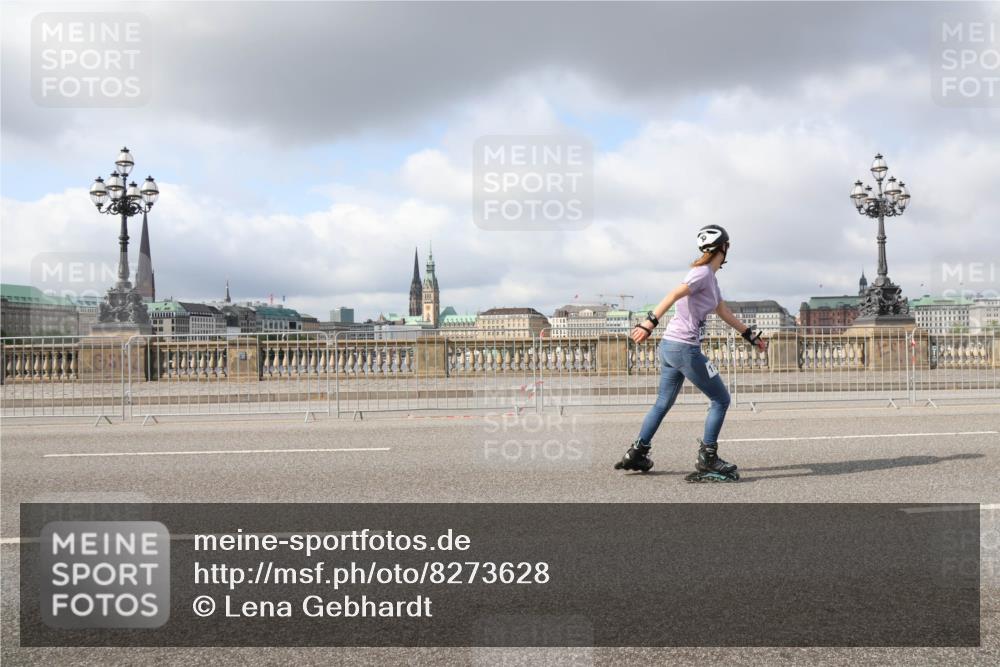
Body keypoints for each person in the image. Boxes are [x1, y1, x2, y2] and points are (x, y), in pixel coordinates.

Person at [614, 224, 767, 481]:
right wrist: (649, 322)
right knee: (721, 400)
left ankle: (637, 452)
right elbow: (674, 293)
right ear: (725, 248)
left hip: (671, 347)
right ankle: (708, 458)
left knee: (663, 402)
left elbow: (723, 312)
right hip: (684, 348)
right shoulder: (702, 274)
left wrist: (750, 335)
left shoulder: (711, 280)